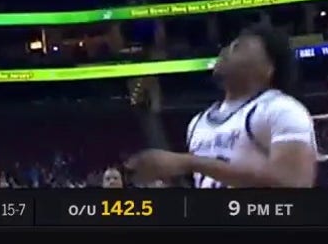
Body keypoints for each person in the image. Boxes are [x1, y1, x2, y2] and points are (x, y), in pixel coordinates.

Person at [126, 24, 317, 188]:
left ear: (268, 68)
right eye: (227, 46)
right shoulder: (197, 123)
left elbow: (294, 183)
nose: (225, 51)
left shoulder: (281, 109)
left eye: (238, 47)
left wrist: (190, 162)